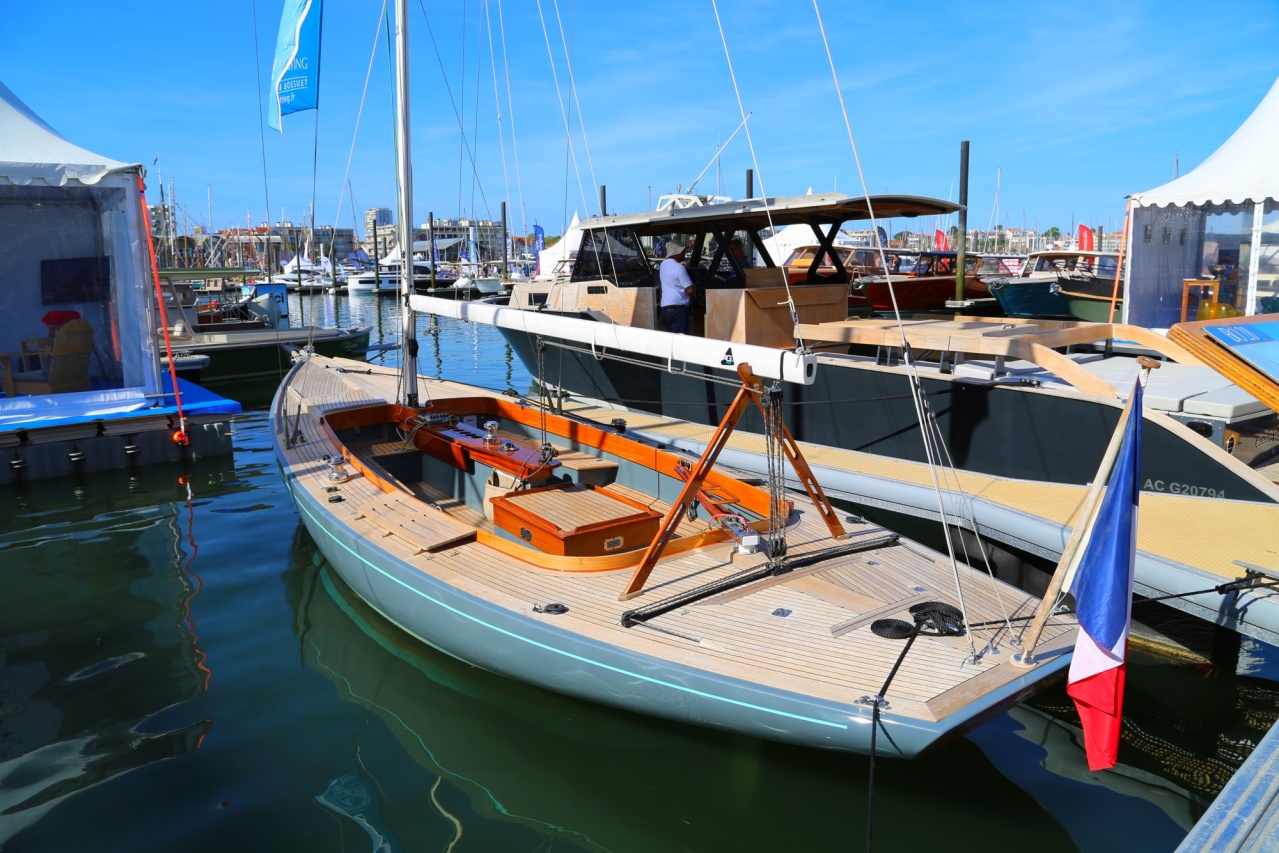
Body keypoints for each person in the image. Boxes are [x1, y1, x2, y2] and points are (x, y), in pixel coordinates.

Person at [659, 240, 693, 334]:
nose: (684, 253)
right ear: (676, 252)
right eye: (682, 251)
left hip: (666, 311)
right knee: (681, 341)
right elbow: (690, 290)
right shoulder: (679, 268)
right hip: (678, 312)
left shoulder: (663, 265)